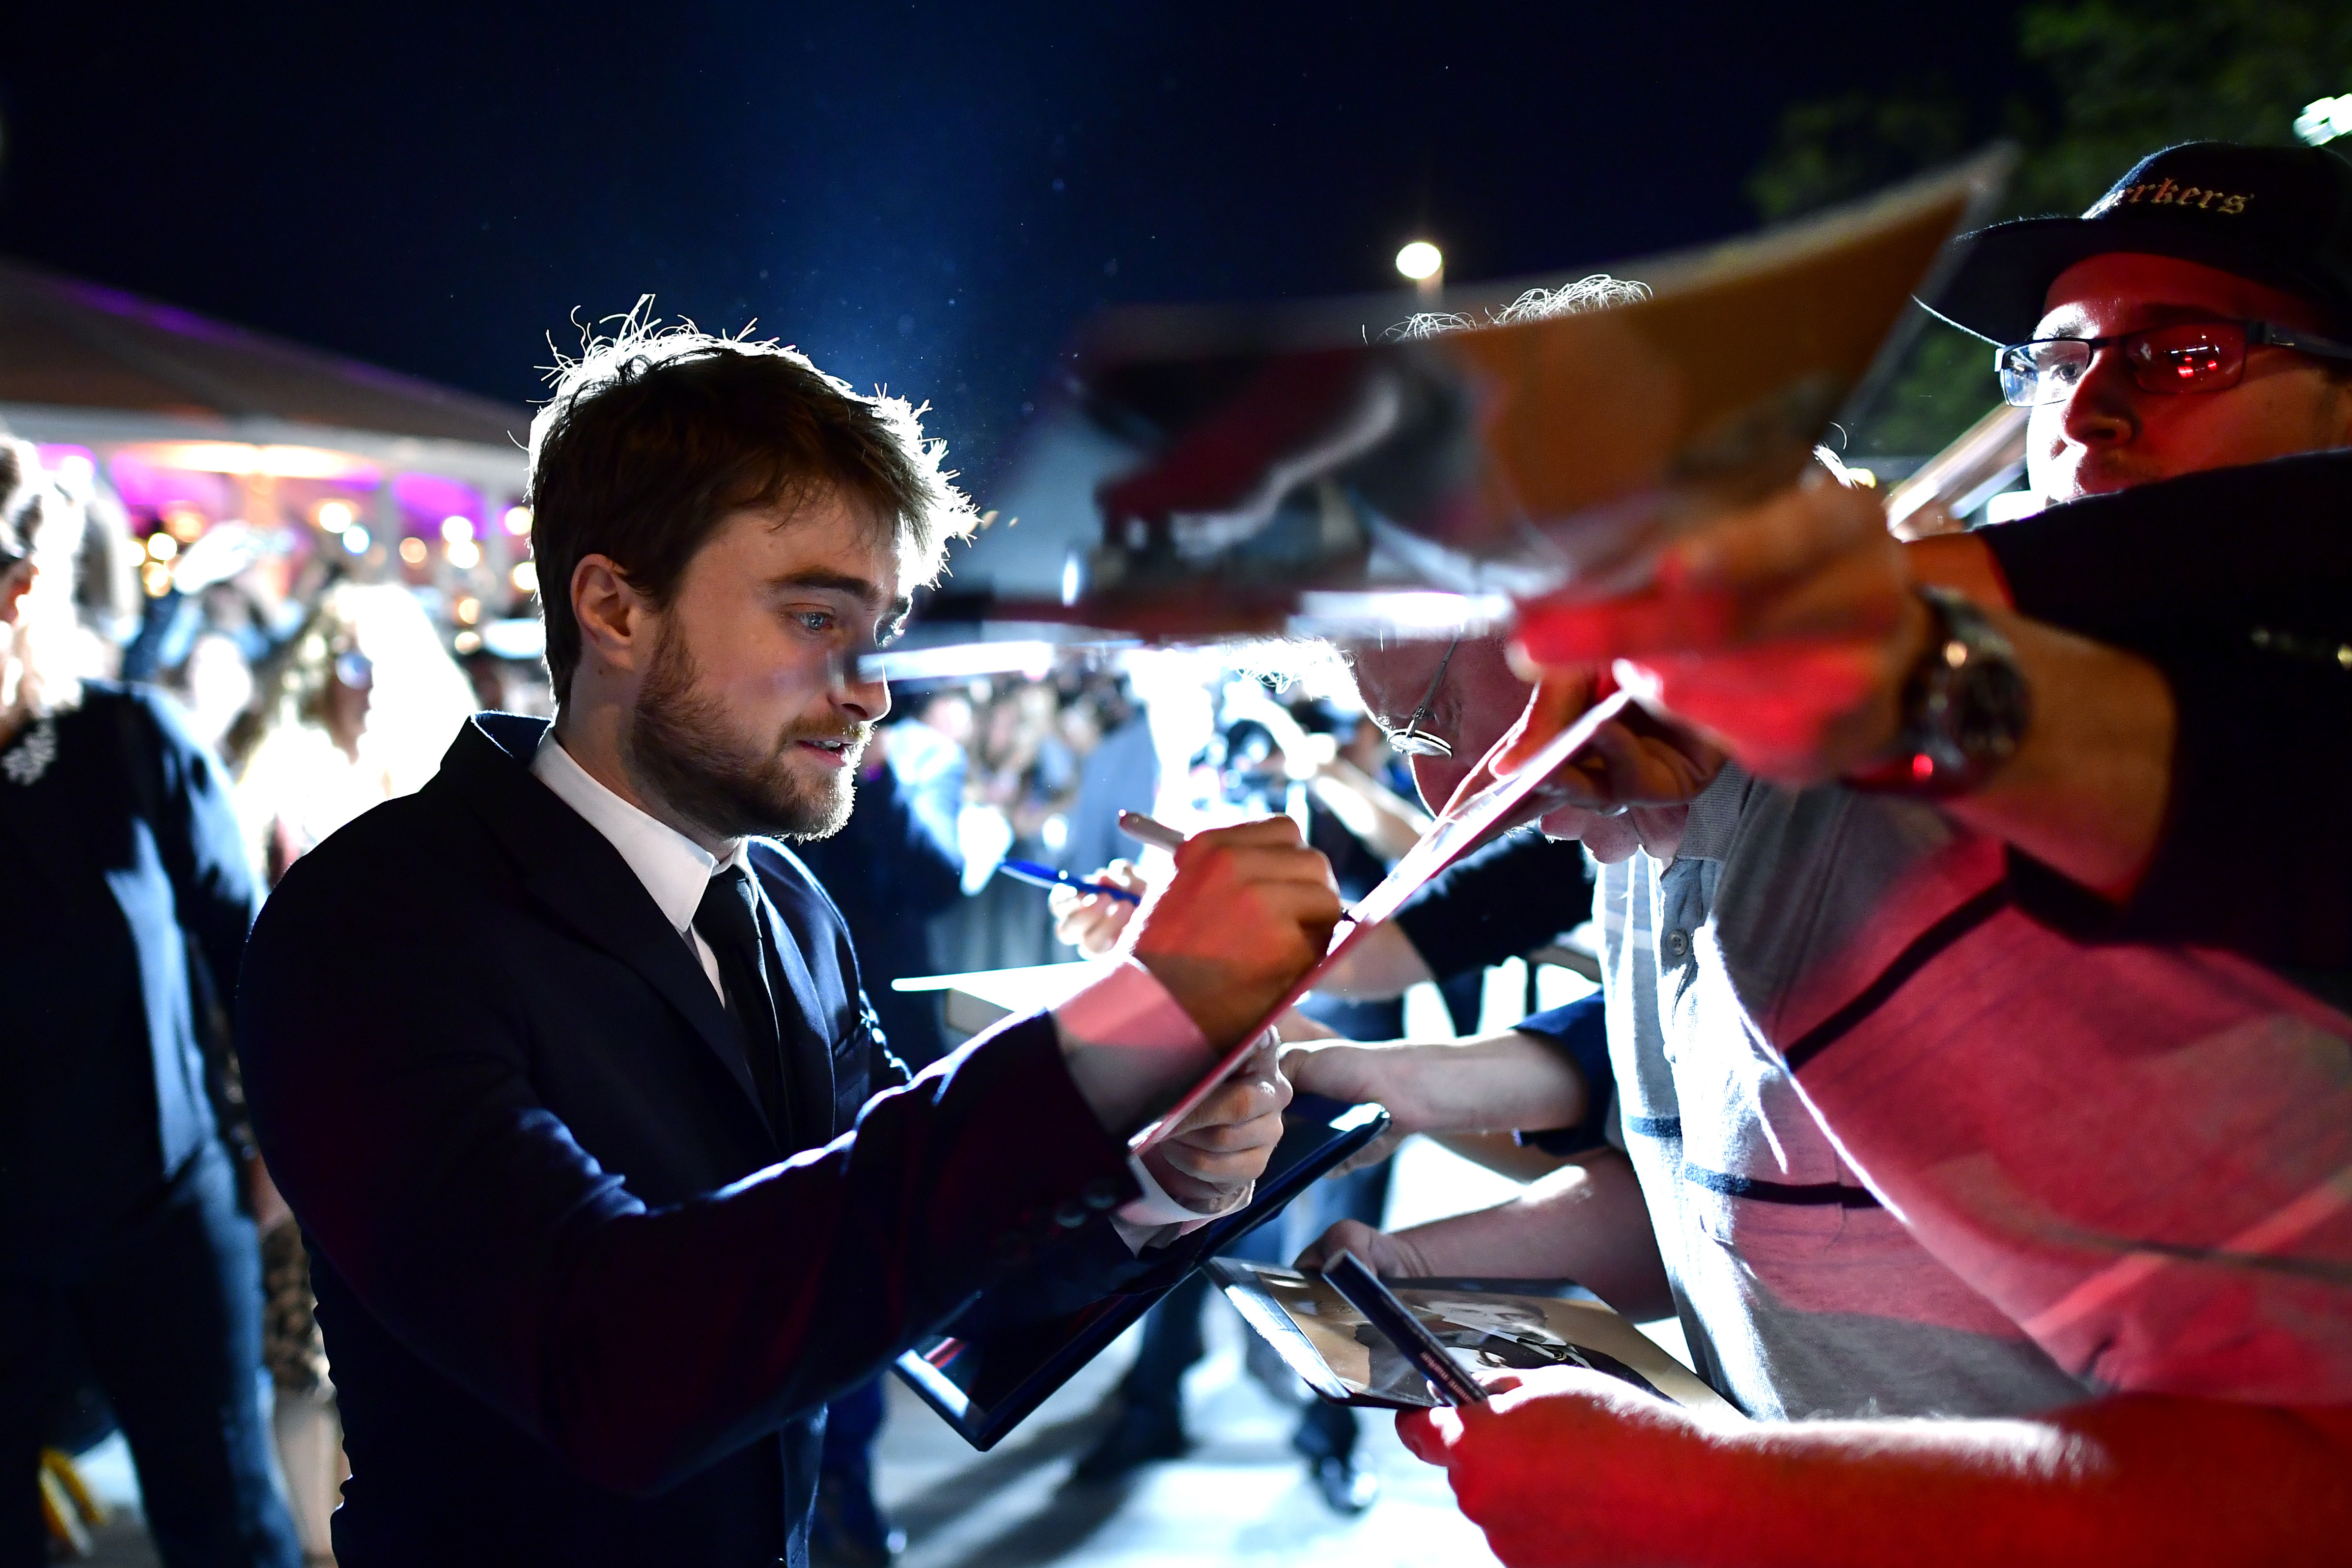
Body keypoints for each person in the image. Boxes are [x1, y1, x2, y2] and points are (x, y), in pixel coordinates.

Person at [235, 318, 1332, 1568]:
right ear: (614, 608)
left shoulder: (787, 909)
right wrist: (1123, 1028)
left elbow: (903, 1260)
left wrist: (1155, 1178)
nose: (872, 687)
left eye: (882, 629)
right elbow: (615, 1366)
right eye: (817, 617)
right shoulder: (375, 921)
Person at [1400, 141, 2352, 1565]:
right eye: (2048, 360)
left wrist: (1721, 1500)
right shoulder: (1858, 757)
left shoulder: (2027, 844)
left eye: (2190, 354)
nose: (2084, 412)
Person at [0, 439, 302, 1568]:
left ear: (18, 590)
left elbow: (261, 954)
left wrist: (281, 1141)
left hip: (161, 1222)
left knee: (225, 1526)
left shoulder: (123, 746)